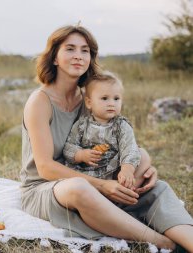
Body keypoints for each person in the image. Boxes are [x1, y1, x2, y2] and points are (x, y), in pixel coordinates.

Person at [20, 24, 193, 250]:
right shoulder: (40, 101)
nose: (78, 56)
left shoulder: (90, 99)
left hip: (88, 175)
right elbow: (45, 168)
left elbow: (124, 145)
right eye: (70, 49)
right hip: (47, 188)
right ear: (54, 57)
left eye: (85, 51)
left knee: (144, 165)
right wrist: (102, 186)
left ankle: (185, 239)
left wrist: (145, 165)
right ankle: (164, 243)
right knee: (79, 188)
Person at [63, 72, 146, 190]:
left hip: (113, 172)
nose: (112, 103)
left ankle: (123, 195)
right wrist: (80, 154)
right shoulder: (82, 125)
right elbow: (68, 146)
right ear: (89, 103)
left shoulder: (121, 125)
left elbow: (129, 148)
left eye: (116, 98)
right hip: (85, 174)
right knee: (76, 186)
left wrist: (127, 169)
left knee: (140, 156)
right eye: (104, 98)